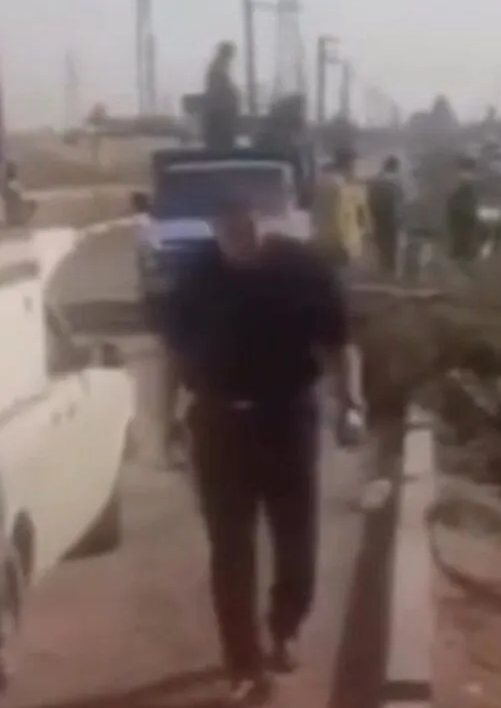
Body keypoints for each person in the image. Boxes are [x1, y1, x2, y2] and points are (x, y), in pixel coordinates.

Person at [157, 193, 364, 705]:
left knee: (295, 535)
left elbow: (340, 343)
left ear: (263, 220)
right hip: (218, 424)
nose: (239, 235)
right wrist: (165, 419)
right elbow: (172, 354)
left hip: (287, 418)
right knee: (229, 546)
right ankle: (243, 660)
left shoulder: (301, 269)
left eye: (247, 223)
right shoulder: (195, 276)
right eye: (228, 225)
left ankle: (286, 625)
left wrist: (351, 403)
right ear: (215, 225)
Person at [367, 155, 405, 275]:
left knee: (381, 241)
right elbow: (401, 200)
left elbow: (370, 199)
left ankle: (383, 267)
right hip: (393, 216)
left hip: (378, 215)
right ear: (395, 167)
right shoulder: (397, 181)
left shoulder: (376, 180)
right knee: (393, 244)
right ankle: (391, 269)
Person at [203, 41, 240, 151]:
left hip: (219, 109)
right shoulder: (218, 67)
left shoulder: (219, 65)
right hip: (220, 109)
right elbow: (219, 86)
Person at [445, 155, 482, 262]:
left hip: (464, 212)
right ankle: (463, 253)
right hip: (465, 212)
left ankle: (462, 252)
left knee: (463, 233)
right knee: (464, 233)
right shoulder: (468, 182)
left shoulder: (466, 182)